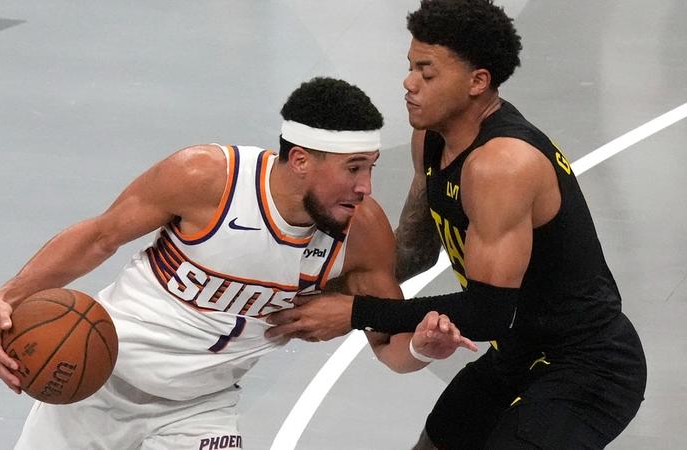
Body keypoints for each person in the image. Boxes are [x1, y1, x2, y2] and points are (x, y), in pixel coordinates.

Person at [0, 76, 475, 450]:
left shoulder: (362, 232)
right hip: (96, 381)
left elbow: (390, 348)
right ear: (301, 160)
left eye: (370, 167)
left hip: (200, 411)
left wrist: (426, 348)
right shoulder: (207, 179)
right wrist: (8, 296)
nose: (366, 186)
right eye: (352, 169)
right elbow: (98, 237)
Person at [265, 1, 647, 448]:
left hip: (588, 367)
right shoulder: (431, 139)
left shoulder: (502, 165)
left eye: (426, 73)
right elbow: (413, 252)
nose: (408, 84)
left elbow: (487, 313)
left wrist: (353, 313)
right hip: (517, 354)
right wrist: (305, 286)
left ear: (477, 82)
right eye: (409, 67)